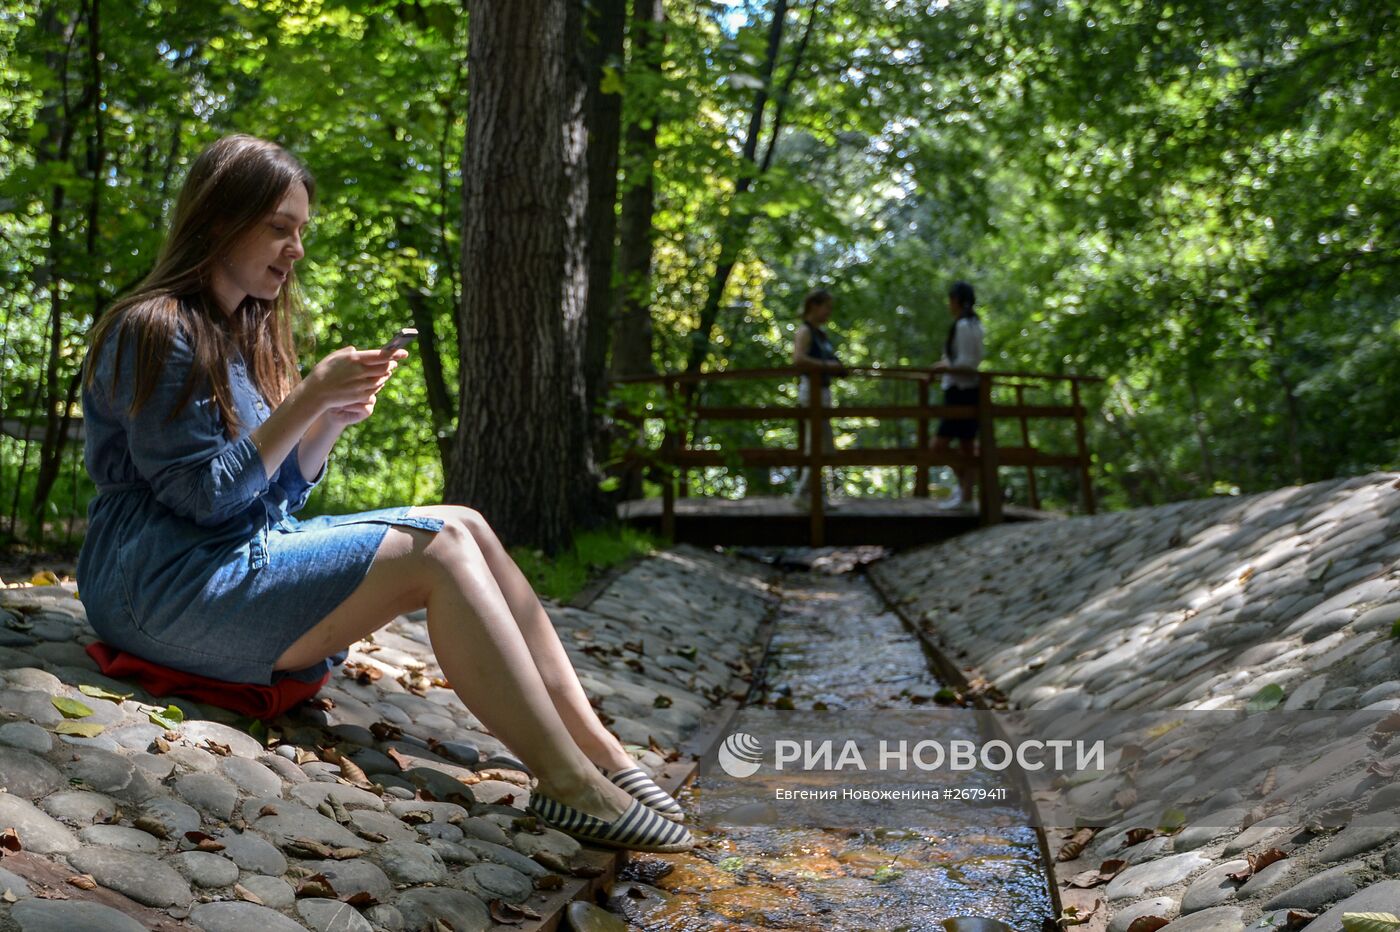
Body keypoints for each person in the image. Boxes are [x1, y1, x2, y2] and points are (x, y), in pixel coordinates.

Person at [76, 135, 691, 853]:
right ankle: (568, 786)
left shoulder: (244, 333)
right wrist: (306, 401)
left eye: (301, 229)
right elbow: (202, 499)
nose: (296, 248)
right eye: (280, 226)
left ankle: (603, 756)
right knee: (440, 549)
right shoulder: (152, 328)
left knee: (462, 520)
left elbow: (271, 503)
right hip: (154, 586)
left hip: (222, 559)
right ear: (217, 220)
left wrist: (326, 422)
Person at [932, 280, 984, 510]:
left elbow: (967, 363)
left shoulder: (964, 326)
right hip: (967, 389)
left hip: (960, 391)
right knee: (966, 446)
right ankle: (965, 496)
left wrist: (945, 368)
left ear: (957, 300)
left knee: (939, 446)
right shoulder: (974, 324)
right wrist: (943, 365)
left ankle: (964, 491)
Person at [790, 288, 844, 503]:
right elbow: (798, 359)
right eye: (826, 308)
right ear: (814, 306)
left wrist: (837, 367)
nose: (828, 313)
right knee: (817, 444)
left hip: (823, 392)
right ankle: (804, 495)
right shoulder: (805, 331)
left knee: (824, 445)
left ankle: (815, 495)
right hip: (810, 392)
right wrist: (827, 365)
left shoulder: (821, 334)